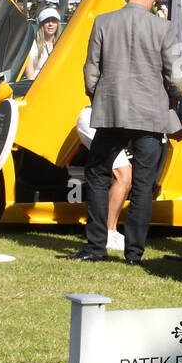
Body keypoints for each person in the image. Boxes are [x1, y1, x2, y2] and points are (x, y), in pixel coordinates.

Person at [73, 0, 182, 265]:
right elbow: (175, 76)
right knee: (144, 184)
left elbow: (91, 69)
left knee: (97, 174)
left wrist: (97, 97)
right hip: (149, 114)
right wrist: (169, 100)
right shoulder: (162, 28)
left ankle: (96, 245)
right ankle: (134, 253)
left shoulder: (103, 22)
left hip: (112, 111)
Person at [75, 105, 132, 253]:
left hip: (107, 122)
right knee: (123, 175)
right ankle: (106, 232)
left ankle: (111, 230)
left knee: (125, 176)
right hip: (97, 121)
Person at [26, 7, 61, 79]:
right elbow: (29, 67)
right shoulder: (33, 44)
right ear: (42, 24)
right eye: (47, 21)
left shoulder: (61, 44)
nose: (50, 24)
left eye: (54, 21)